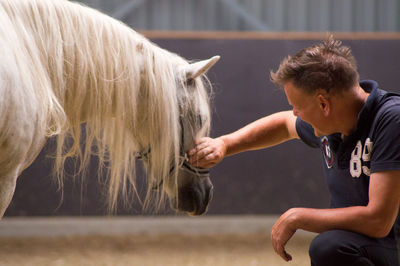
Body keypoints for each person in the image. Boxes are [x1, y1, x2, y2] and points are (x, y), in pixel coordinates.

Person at [188, 36, 400, 266]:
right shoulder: (335, 122)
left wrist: (298, 217)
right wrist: (224, 144)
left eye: (297, 107)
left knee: (330, 248)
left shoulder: (391, 119)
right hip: (369, 244)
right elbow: (283, 124)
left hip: (391, 244)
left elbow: (379, 221)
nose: (295, 113)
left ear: (323, 104)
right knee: (333, 244)